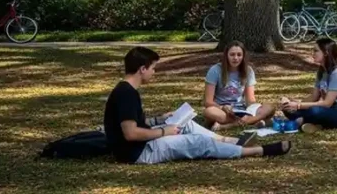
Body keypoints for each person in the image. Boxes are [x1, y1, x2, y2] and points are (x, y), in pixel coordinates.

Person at [103, 46, 291, 164]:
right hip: (139, 152)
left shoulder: (127, 90)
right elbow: (131, 133)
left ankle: (229, 141)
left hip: (144, 144)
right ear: (142, 69)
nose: (154, 72)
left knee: (187, 124)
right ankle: (258, 151)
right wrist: (163, 131)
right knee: (198, 143)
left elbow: (136, 122)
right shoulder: (126, 93)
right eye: (153, 68)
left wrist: (161, 119)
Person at [281, 38, 337, 133]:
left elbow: (327, 103)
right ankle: (314, 124)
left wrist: (298, 106)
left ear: (326, 53)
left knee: (315, 111)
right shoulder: (322, 71)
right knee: (288, 110)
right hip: (326, 111)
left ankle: (305, 121)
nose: (313, 54)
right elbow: (314, 97)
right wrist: (292, 104)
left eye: (316, 51)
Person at [203, 41, 275, 130]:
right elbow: (207, 102)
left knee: (270, 107)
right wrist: (222, 107)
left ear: (243, 56)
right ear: (226, 56)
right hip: (222, 109)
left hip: (241, 110)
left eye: (239, 55)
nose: (236, 58)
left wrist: (253, 109)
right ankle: (252, 122)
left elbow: (250, 100)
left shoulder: (248, 71)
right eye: (232, 55)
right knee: (209, 112)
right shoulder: (215, 70)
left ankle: (229, 125)